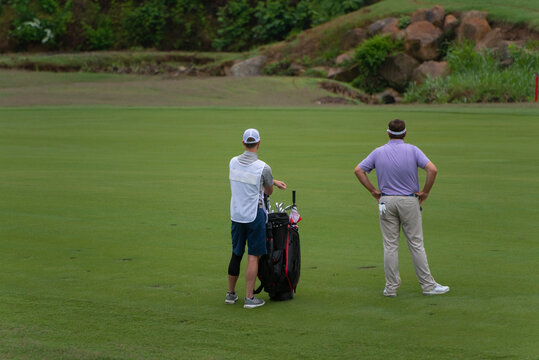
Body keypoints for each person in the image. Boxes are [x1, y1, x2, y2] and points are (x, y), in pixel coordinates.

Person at [354, 119, 449, 297]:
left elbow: (358, 170)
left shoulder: (378, 152)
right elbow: (432, 170)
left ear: (388, 133)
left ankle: (391, 288)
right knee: (416, 244)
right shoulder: (413, 150)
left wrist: (373, 191)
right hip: (408, 201)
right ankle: (428, 286)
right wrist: (426, 192)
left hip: (386, 202)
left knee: (390, 246)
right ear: (405, 133)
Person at [226, 128, 287, 308]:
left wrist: (273, 180)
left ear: (243, 143)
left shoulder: (232, 162)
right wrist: (272, 183)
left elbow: (247, 176)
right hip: (254, 215)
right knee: (253, 256)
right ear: (259, 143)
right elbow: (268, 191)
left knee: (236, 253)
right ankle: (249, 297)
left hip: (236, 215)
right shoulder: (263, 167)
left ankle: (230, 294)